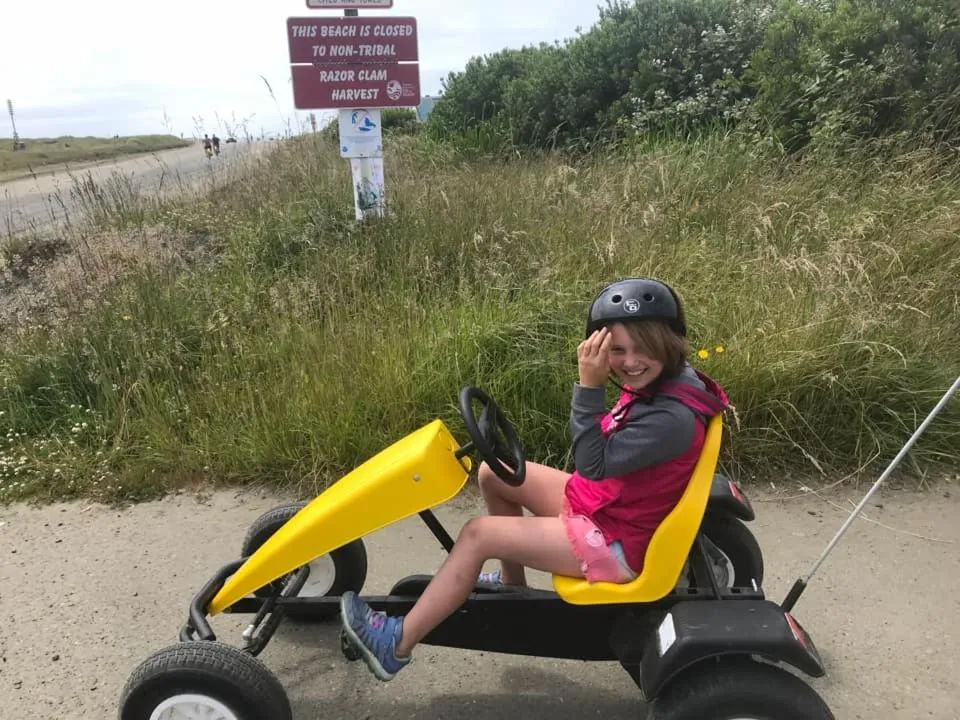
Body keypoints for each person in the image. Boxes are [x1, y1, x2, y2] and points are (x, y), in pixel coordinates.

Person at [339, 277, 730, 682]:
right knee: (495, 473)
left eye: (643, 348)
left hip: (616, 542)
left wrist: (590, 385)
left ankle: (394, 645)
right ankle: (514, 587)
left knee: (477, 535)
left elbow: (591, 462)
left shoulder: (671, 418)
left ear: (669, 341)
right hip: (611, 504)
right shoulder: (669, 382)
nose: (630, 361)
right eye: (617, 349)